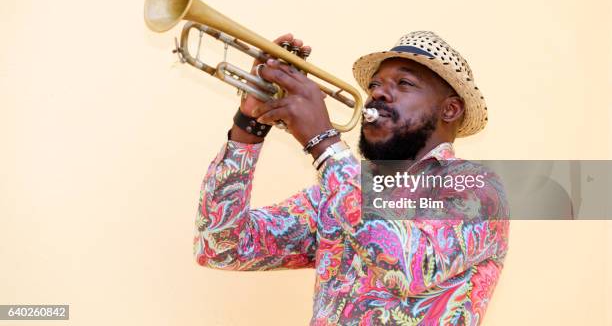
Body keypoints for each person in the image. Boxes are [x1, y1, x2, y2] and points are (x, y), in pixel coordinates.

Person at [193, 31, 509, 325]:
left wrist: (324, 143)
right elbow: (221, 247)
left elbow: (406, 265)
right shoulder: (340, 189)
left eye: (403, 83)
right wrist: (249, 125)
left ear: (450, 110)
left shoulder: (478, 189)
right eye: (374, 85)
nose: (379, 94)